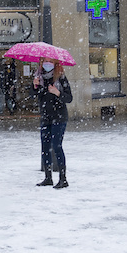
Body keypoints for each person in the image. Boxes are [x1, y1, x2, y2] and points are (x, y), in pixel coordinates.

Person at [32, 59, 72, 189]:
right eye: (45, 61)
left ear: (55, 64)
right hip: (46, 117)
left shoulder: (60, 78)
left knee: (56, 146)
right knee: (45, 147)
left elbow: (69, 98)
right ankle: (48, 178)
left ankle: (63, 179)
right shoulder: (39, 77)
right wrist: (34, 86)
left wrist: (57, 93)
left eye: (50, 61)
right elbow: (32, 95)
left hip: (59, 117)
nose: (47, 64)